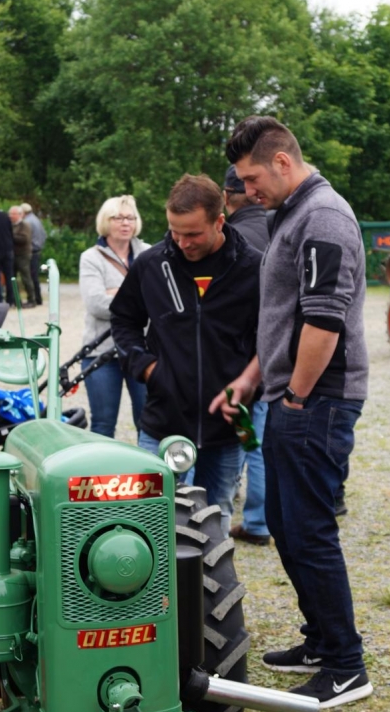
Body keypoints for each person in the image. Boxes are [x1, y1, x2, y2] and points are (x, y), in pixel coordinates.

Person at [225, 115, 371, 708]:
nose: (248, 191)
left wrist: (296, 396)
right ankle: (320, 639)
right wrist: (251, 379)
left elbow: (323, 319)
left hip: (319, 399)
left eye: (253, 178)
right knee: (286, 525)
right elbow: (284, 319)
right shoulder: (290, 213)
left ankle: (346, 666)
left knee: (309, 531)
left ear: (283, 162)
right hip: (296, 395)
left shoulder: (323, 217)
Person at [112, 174, 262, 531]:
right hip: (162, 418)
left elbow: (271, 339)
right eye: (175, 231)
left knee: (218, 511)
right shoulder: (151, 265)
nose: (182, 242)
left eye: (193, 233)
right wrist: (147, 368)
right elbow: (122, 321)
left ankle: (211, 588)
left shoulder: (254, 268)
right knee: (151, 514)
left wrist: (249, 380)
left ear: (219, 220)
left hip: (230, 422)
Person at [223, 164, 271, 545]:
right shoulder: (280, 225)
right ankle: (257, 521)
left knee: (235, 438)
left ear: (225, 196)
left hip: (235, 361)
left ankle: (212, 520)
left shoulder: (227, 236)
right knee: (257, 442)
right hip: (271, 356)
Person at [78, 196, 148, 439]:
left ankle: (149, 475)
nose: (125, 223)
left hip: (142, 349)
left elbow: (159, 299)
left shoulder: (149, 253)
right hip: (101, 352)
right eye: (118, 217)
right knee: (103, 426)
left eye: (130, 217)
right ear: (105, 222)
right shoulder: (91, 258)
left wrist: (116, 293)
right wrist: (138, 299)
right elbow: (96, 304)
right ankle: (101, 477)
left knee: (148, 423)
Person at [8, 204, 35, 307]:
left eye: (13, 214)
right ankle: (16, 300)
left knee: (26, 278)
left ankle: (31, 299)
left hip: (23, 255)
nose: (11, 216)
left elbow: (24, 239)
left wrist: (10, 236)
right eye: (10, 214)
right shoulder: (10, 225)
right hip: (13, 255)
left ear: (19, 215)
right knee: (13, 278)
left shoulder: (24, 225)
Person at [22, 203, 47, 303]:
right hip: (38, 249)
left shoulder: (27, 222)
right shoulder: (36, 219)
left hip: (32, 250)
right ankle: (38, 298)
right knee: (34, 275)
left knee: (31, 276)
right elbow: (44, 235)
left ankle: (34, 298)